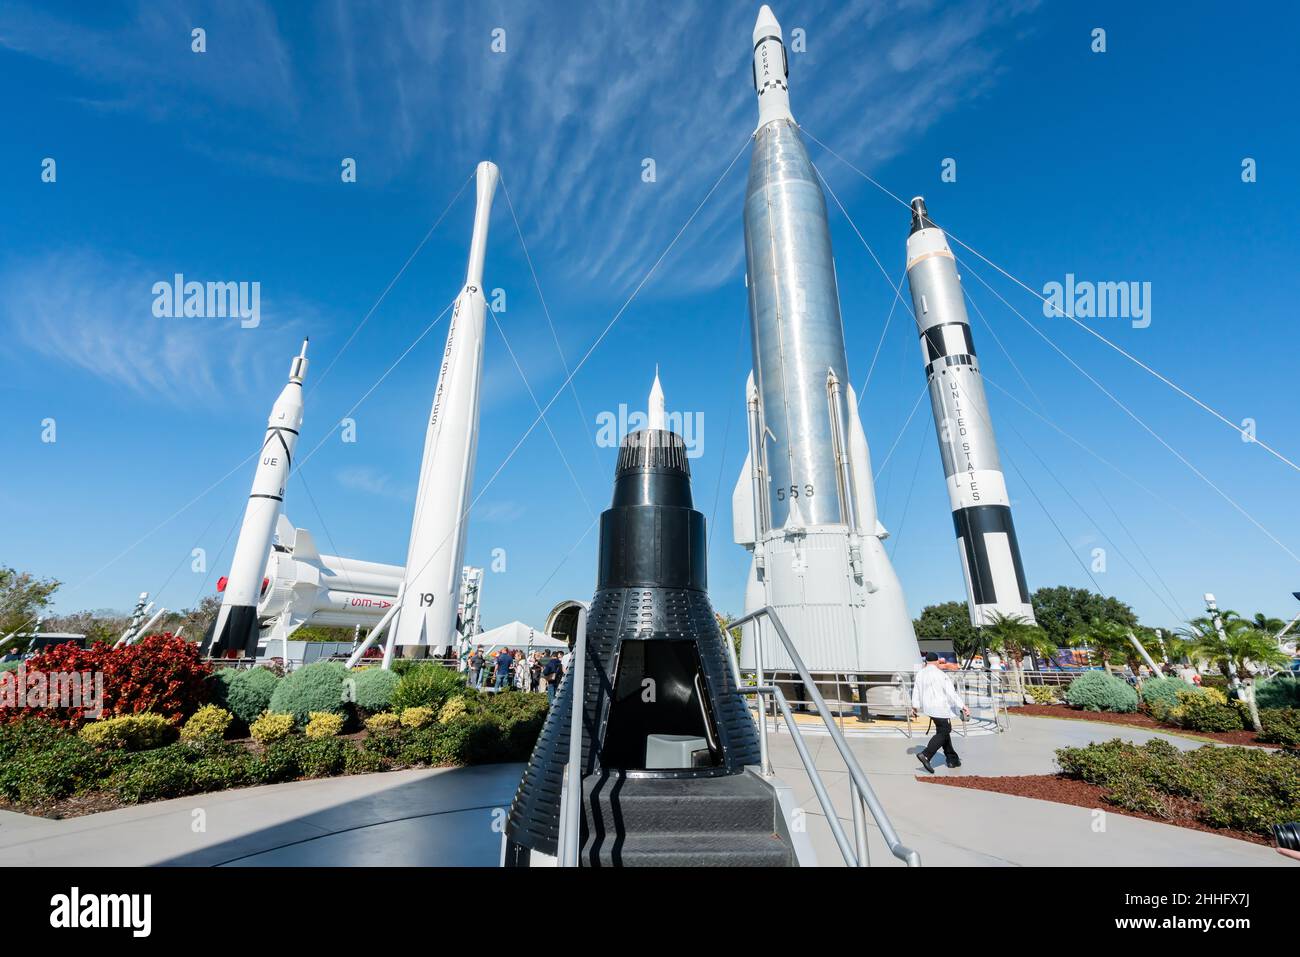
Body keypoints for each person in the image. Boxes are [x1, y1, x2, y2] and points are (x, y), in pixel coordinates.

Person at [910, 652, 970, 773]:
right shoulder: (941, 674)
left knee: (943, 731)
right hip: (941, 708)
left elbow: (916, 691)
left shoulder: (920, 674)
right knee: (944, 731)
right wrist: (963, 706)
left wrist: (915, 707)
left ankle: (952, 759)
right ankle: (926, 754)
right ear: (937, 661)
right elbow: (951, 693)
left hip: (929, 709)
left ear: (926, 662)